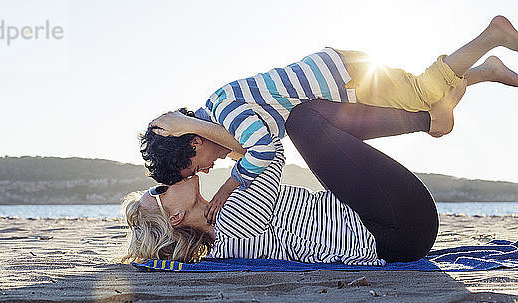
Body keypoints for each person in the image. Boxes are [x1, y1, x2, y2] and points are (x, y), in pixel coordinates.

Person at [141, 15, 518, 224]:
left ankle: (491, 36)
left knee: (423, 94)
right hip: (339, 72)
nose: (205, 171)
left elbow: (265, 150)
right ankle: (485, 71)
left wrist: (226, 191)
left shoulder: (229, 115)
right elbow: (254, 142)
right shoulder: (220, 105)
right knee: (423, 96)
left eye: (195, 166)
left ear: (194, 141)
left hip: (346, 82)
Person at [124, 93, 467, 264]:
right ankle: (427, 119)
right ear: (175, 217)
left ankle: (421, 109)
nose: (168, 179)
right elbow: (268, 148)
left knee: (310, 121)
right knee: (302, 120)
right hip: (396, 225)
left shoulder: (222, 234)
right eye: (159, 189)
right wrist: (196, 127)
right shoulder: (231, 222)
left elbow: (252, 153)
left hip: (391, 227)